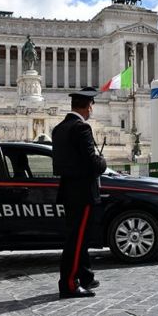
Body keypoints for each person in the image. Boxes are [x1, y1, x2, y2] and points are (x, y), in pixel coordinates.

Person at [52, 87, 107, 298]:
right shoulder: (81, 128)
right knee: (76, 241)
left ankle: (85, 276)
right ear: (88, 106)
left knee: (78, 237)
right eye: (91, 105)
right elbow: (92, 162)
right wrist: (102, 162)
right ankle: (69, 285)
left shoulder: (58, 129)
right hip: (83, 192)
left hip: (68, 190)